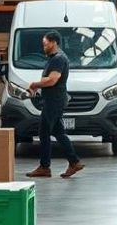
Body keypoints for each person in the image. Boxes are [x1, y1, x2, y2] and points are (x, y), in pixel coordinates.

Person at [25, 31, 84, 179]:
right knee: (58, 132)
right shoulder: (54, 58)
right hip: (52, 100)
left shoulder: (59, 59)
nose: (43, 47)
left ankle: (45, 167)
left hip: (54, 101)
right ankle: (74, 162)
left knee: (44, 133)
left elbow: (52, 80)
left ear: (53, 43)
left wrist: (35, 84)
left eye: (45, 44)